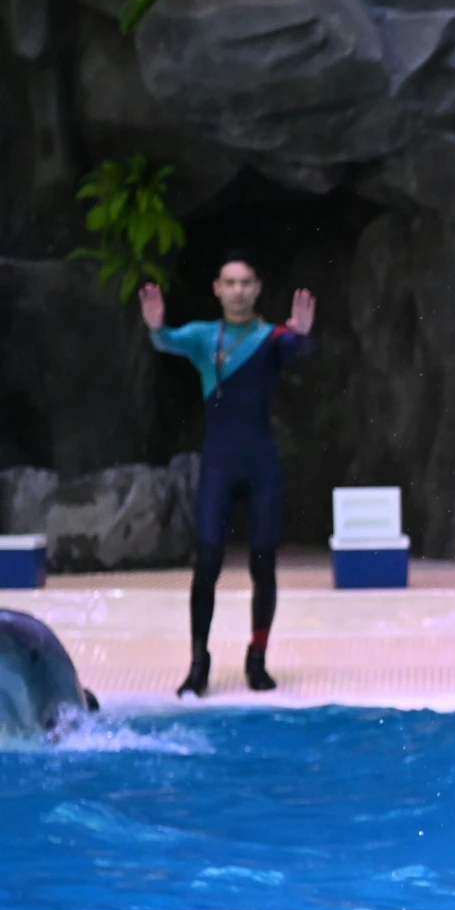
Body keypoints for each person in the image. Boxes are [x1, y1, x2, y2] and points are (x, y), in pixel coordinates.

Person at [142, 258, 316, 696]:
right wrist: (157, 326)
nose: (238, 291)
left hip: (261, 466)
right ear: (217, 288)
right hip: (219, 465)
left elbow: (297, 347)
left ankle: (257, 660)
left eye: (246, 283)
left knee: (263, 565)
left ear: (257, 289)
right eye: (230, 283)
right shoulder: (203, 337)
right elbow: (166, 342)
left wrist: (303, 332)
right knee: (207, 566)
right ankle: (199, 664)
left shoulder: (271, 338)